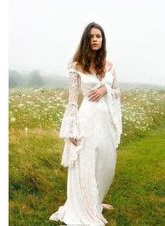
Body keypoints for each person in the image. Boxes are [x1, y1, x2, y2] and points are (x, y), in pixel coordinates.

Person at [49, 22, 122, 226]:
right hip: (86, 119)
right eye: (91, 36)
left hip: (104, 120)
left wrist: (105, 90)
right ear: (86, 40)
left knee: (105, 161)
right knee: (86, 162)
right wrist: (71, 129)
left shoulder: (109, 65)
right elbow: (72, 100)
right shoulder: (76, 66)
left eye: (98, 36)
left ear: (103, 39)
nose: (95, 39)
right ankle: (85, 207)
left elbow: (116, 90)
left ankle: (95, 201)